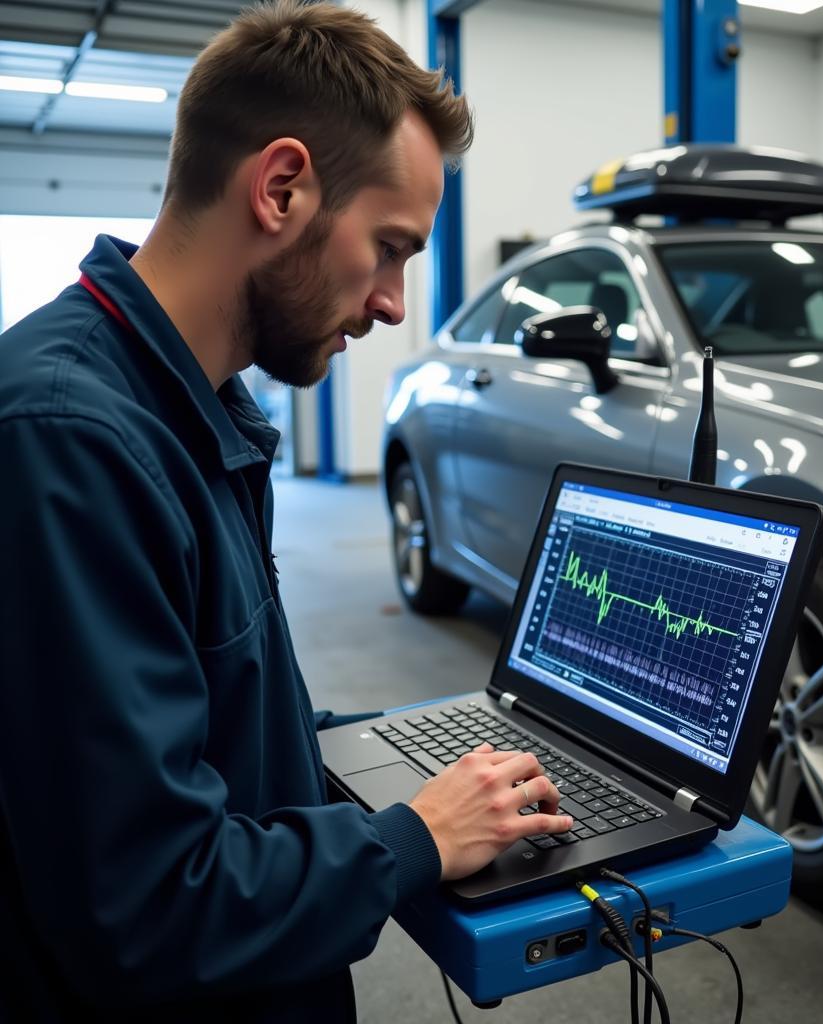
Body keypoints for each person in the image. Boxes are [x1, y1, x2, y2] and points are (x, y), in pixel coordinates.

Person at [0, 3, 572, 1020]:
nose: (396, 301)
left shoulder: (192, 407)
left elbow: (198, 720)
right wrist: (414, 838)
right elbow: (147, 904)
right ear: (280, 188)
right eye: (390, 246)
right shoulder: (72, 441)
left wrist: (386, 748)